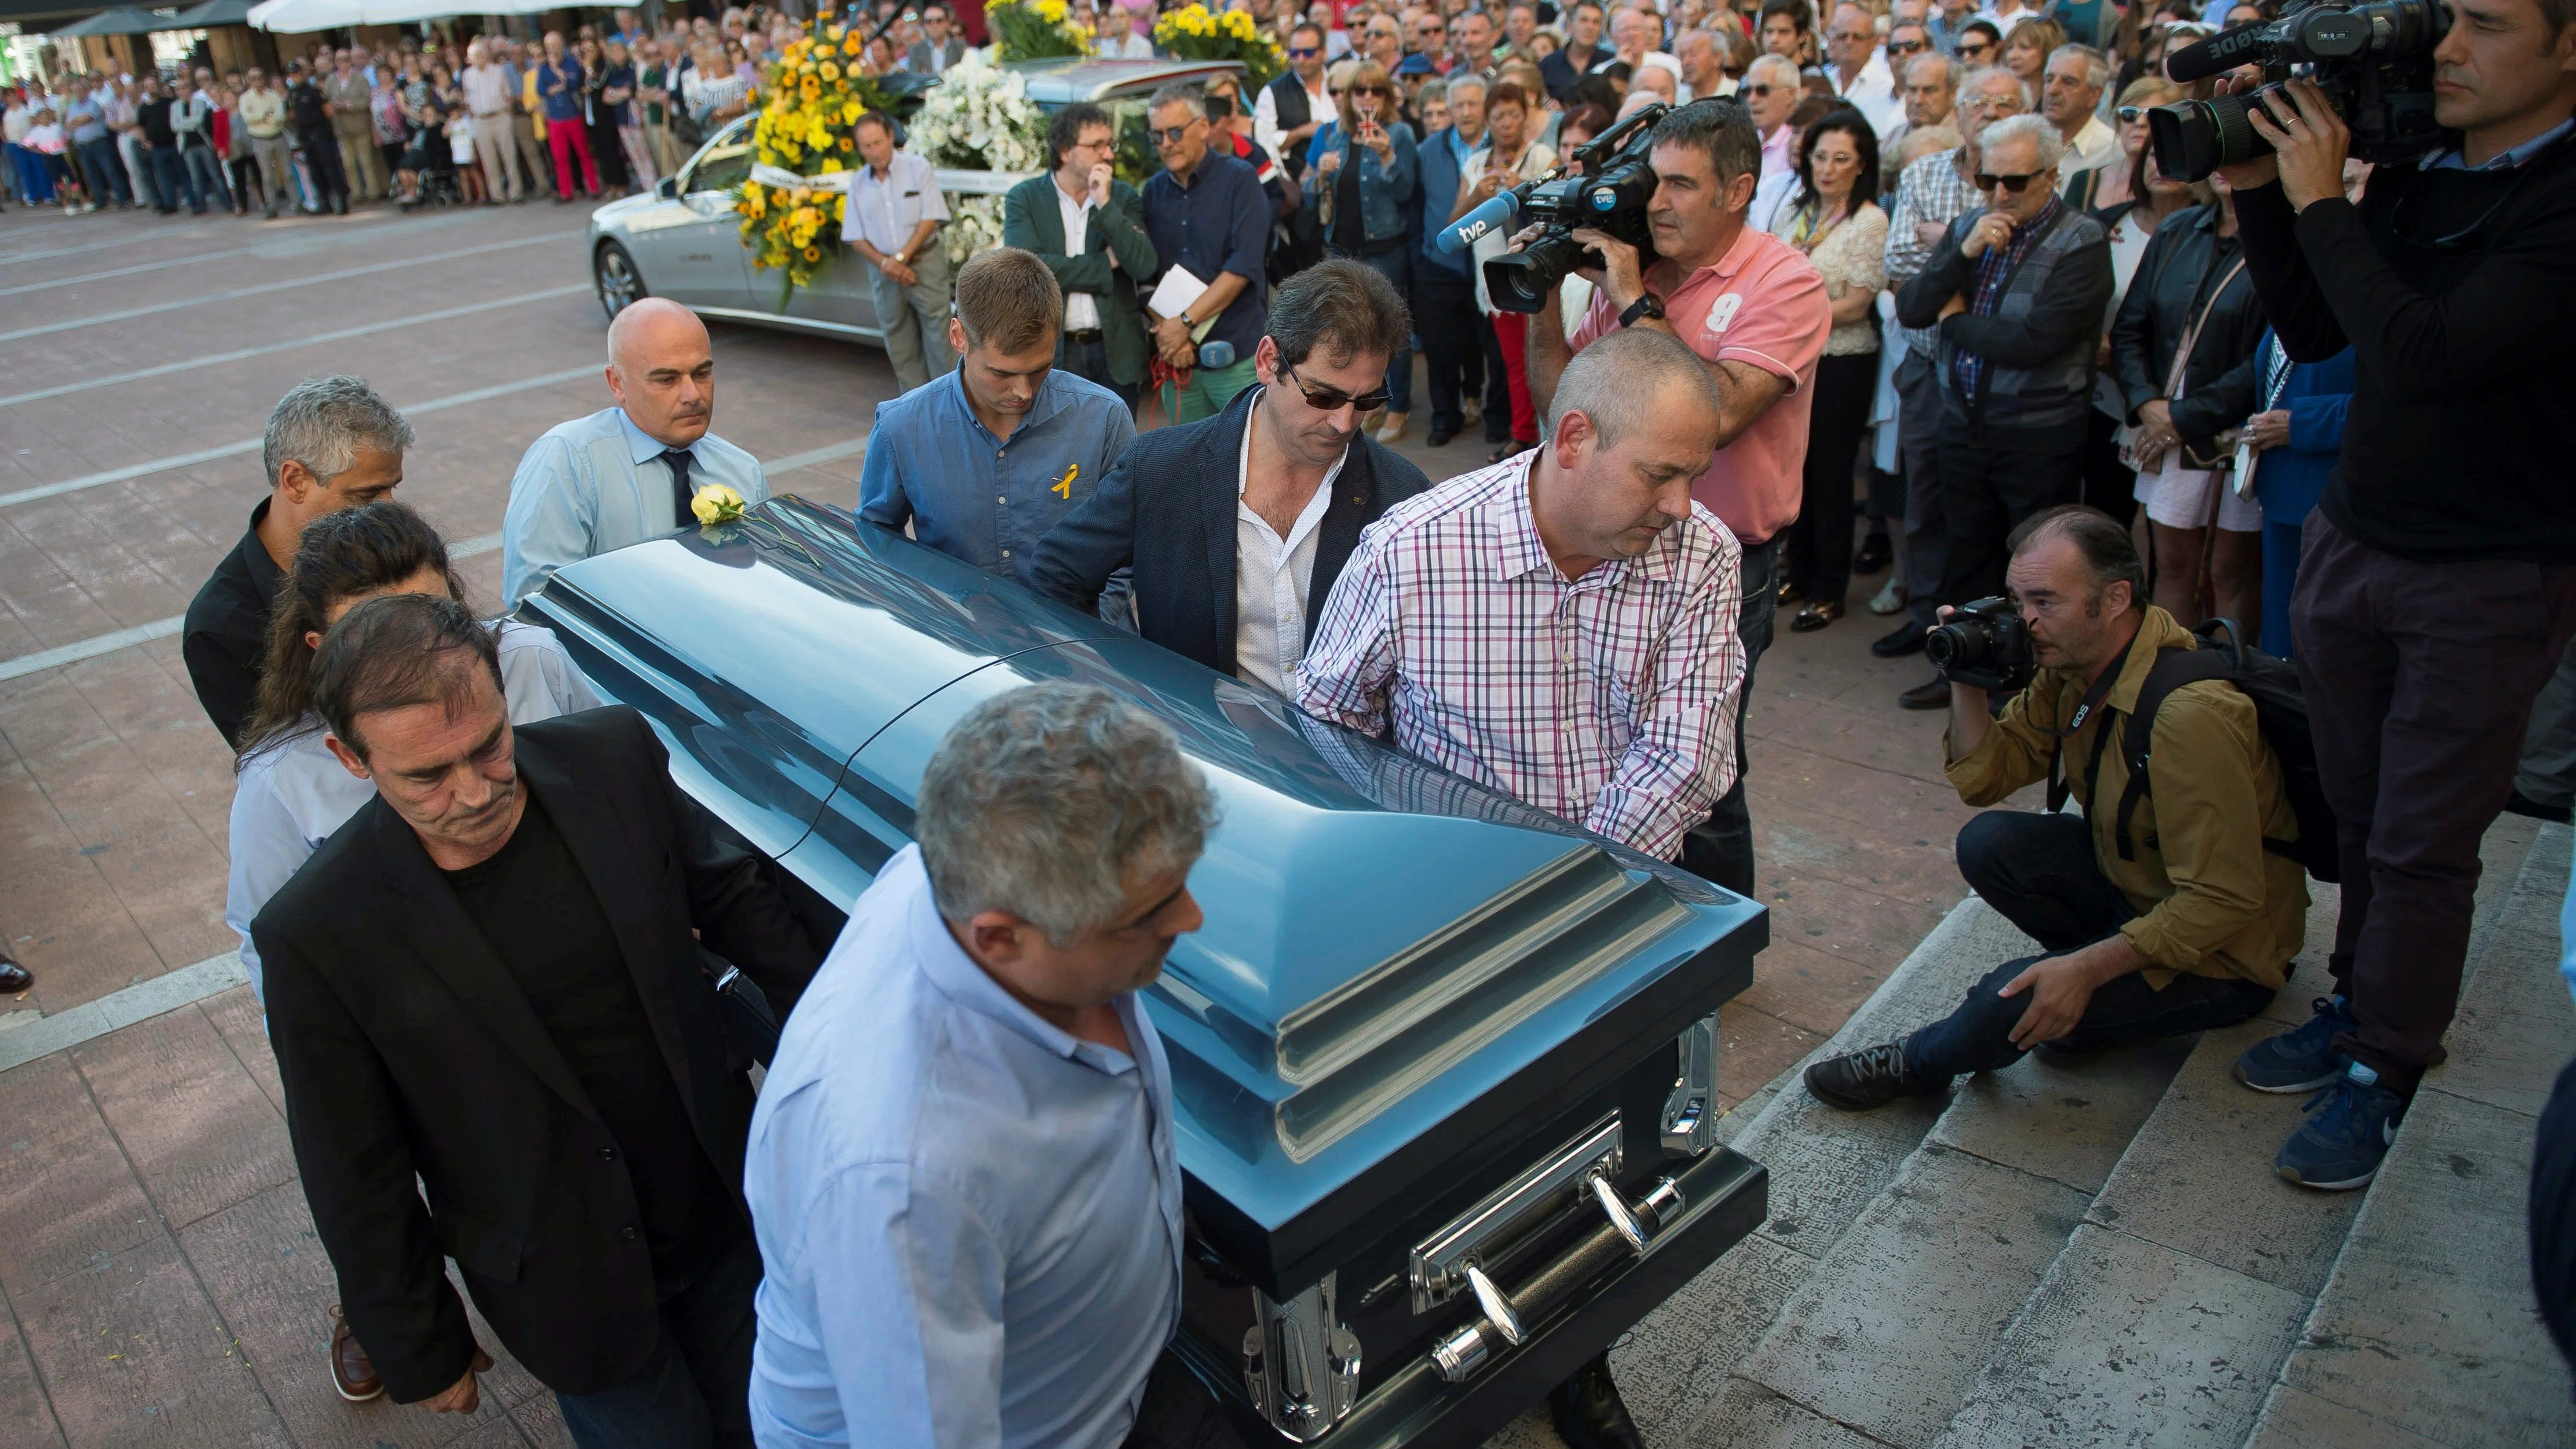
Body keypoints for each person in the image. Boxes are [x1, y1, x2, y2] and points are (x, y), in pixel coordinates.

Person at [1296, 325, 1738, 1449]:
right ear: (1575, 436)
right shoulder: (1414, 548)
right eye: (1663, 471)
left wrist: (1568, 903)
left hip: (1614, 915)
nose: (1685, 504)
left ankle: (1576, 1356)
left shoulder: (1704, 557)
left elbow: (1687, 751)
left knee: (1601, 1159)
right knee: (1454, 1171)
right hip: (1435, 936)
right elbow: (1320, 734)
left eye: (1696, 472)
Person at [255, 592, 820, 1446]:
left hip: (721, 1204)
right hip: (563, 1284)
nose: (474, 791)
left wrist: (842, 1044)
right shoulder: (317, 932)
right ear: (350, 758)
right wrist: (419, 1340)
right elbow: (349, 1159)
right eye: (428, 777)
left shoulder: (613, 759)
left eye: (488, 748)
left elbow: (736, 902)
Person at [2216, 0, 2576, 1188]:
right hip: (2356, 539)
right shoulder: (2424, 164)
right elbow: (2325, 322)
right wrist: (2262, 188)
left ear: (2570, 45)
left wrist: (2323, 196)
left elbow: (2424, 347)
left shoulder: (2562, 199)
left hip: (2483, 570)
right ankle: (2359, 1002)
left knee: (2425, 839)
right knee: (2362, 807)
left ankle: (2387, 1059)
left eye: (2482, 24)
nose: (2446, 50)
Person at [744, 682, 1216, 1449]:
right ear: (997, 938)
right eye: (1145, 916)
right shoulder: (901, 1182)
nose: (1189, 919)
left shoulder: (963, 871)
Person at [1803, 507, 2302, 1111]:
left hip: (2223, 959)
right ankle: (2095, 1008)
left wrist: (2087, 969)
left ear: (2115, 598)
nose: (2026, 622)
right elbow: (1983, 779)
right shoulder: (2077, 662)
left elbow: (2222, 901)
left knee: (2009, 996)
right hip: (2137, 893)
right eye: (2017, 601)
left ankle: (1920, 1062)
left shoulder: (2189, 714)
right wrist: (1966, 671)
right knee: (1988, 842)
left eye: (2044, 601)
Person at [1525, 97, 1832, 899]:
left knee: (1702, 763)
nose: (1655, 203)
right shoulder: (1639, 273)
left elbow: (1720, 414)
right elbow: (1568, 414)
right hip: (1612, 540)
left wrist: (1632, 297)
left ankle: (1717, 935)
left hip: (1724, 557)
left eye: (1679, 186)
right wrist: (1540, 303)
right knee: (1606, 741)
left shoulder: (1784, 281)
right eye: (1650, 183)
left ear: (1735, 192)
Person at [1031, 260, 1431, 691]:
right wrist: (1125, 685)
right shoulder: (1162, 470)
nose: (1344, 422)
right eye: (1324, 395)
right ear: (1267, 361)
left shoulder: (1405, 497)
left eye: (1368, 399)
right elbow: (1056, 575)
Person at [1891, 112, 2112, 710]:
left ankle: (2035, 691)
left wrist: (1956, 321)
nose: (1999, 194)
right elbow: (1912, 306)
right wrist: (1958, 254)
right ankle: (1964, 671)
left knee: (2040, 568)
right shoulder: (1971, 223)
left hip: (2037, 434)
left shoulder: (2081, 240)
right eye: (1988, 179)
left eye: (2015, 182)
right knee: (1967, 555)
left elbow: (2035, 342)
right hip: (1963, 424)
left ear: (2050, 173)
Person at [860, 248, 1138, 590]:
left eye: (1040, 370)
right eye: (1001, 373)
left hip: (1082, 639)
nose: (1023, 391)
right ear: (959, 337)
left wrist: (1086, 631)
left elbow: (1128, 549)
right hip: (961, 637)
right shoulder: (900, 427)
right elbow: (878, 543)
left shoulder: (1104, 419)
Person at [185, 378, 411, 750]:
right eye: (366, 494)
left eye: (393, 488)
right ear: (294, 481)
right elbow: (283, 768)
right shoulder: (222, 629)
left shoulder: (393, 551)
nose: (389, 510)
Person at [502, 298, 769, 607]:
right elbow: (537, 603)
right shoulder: (568, 460)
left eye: (701, 374)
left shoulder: (742, 470)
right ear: (617, 383)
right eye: (666, 380)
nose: (692, 395)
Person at [2111, 172, 2263, 632]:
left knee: (2229, 571)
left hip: (2238, 430)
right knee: (2173, 566)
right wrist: (2145, 404)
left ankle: (2228, 689)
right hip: (2162, 420)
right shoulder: (2178, 229)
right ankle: (2168, 685)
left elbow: (2275, 353)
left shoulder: (2288, 237)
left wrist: (2180, 417)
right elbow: (2129, 328)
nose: (2226, 166)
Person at [1769, 108, 1885, 632]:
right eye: (1820, 156)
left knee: (1830, 475)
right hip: (1791, 360)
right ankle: (1798, 570)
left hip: (1841, 362)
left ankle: (1828, 588)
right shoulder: (1794, 210)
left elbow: (1859, 304)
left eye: (1841, 159)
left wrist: (1792, 315)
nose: (1828, 168)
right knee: (1793, 469)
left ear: (1861, 165)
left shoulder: (1868, 220)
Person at [1004, 103, 1159, 409]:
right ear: (1065, 152)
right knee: (1059, 449)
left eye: (1110, 144)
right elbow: (1025, 271)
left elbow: (1144, 265)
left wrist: (1105, 204)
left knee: (1119, 452)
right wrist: (1105, 266)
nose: (1109, 154)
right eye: (1097, 146)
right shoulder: (1024, 199)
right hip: (1055, 350)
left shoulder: (1123, 197)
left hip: (1114, 349)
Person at [1140, 83, 1273, 423]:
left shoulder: (1239, 179)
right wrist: (1172, 334)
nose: (1166, 144)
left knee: (1249, 462)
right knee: (1188, 467)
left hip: (1236, 357)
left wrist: (1185, 323)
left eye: (1174, 132)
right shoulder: (1152, 192)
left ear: (1202, 127)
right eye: (1157, 136)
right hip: (1178, 362)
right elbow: (1144, 273)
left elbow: (1244, 266)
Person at [1307, 60, 1420, 444]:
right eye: (1360, 91)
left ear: (1387, 97)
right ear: (1349, 97)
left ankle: (1399, 405)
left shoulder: (1399, 133)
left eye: (1376, 91)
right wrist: (1320, 173)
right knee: (1347, 331)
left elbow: (1407, 191)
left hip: (1384, 248)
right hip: (1340, 246)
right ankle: (1365, 404)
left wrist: (1388, 156)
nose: (1367, 98)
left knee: (1390, 332)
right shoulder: (1335, 134)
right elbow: (1310, 192)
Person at [1455, 79, 1557, 463]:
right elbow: (1454, 226)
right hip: (1496, 279)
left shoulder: (1541, 157)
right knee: (1514, 362)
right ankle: (1523, 435)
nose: (1507, 122)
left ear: (1526, 116)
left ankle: (1551, 434)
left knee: (1549, 355)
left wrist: (1524, 190)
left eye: (1515, 113)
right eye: (1498, 115)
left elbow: (1556, 216)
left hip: (1539, 275)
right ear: (1487, 119)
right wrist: (1476, 198)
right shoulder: (1476, 164)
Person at [846, 111, 958, 394]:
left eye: (878, 143)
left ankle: (950, 403)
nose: (874, 152)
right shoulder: (858, 184)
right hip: (884, 273)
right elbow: (855, 236)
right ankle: (915, 408)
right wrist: (888, 265)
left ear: (891, 137)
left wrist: (901, 258)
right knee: (899, 344)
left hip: (924, 262)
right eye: (867, 146)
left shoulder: (917, 168)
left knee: (941, 339)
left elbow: (931, 216)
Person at [1414, 72, 1486, 448]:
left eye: (1473, 103)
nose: (1465, 112)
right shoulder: (1427, 150)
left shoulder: (1499, 148)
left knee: (1481, 343)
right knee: (1440, 347)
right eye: (1459, 105)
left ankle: (1489, 411)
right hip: (1439, 264)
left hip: (1486, 264)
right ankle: (1445, 415)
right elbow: (1416, 206)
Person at [538, 32, 602, 200]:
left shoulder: (571, 63)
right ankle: (566, 192)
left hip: (572, 114)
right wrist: (559, 86)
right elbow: (541, 90)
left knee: (584, 153)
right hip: (555, 118)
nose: (553, 48)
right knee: (560, 157)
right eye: (550, 45)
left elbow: (574, 84)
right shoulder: (544, 68)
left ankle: (593, 187)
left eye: (556, 44)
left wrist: (560, 75)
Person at [1824, 2, 1902, 137]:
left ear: (1874, 43)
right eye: (1843, 36)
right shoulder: (1824, 78)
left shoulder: (1886, 85)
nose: (1849, 42)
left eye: (1857, 37)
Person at [2042, 43, 2118, 180]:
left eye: (2068, 82)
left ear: (2094, 96)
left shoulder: (2113, 151)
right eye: (2049, 79)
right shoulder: (2025, 141)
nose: (2052, 90)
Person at [287, 59, 348, 213]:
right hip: (306, 136)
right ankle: (325, 202)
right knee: (315, 172)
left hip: (320, 135)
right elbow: (292, 115)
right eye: (291, 74)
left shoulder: (314, 91)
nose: (295, 77)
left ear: (303, 73)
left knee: (330, 169)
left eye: (297, 73)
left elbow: (328, 112)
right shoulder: (293, 94)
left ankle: (341, 200)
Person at [327, 50, 384, 202]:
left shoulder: (360, 79)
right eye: (339, 60)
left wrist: (349, 105)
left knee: (366, 162)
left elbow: (368, 101)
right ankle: (356, 193)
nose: (343, 63)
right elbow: (327, 100)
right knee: (348, 164)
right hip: (341, 129)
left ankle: (373, 192)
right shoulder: (331, 80)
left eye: (346, 60)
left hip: (360, 127)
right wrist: (334, 106)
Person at [1742, 53, 1802, 177]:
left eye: (1762, 91)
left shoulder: (1798, 146)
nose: (1752, 99)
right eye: (1747, 91)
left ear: (1790, 94)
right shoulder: (1748, 143)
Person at [905, 2, 969, 74]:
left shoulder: (960, 48)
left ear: (948, 23)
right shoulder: (916, 51)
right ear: (924, 25)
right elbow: (915, 80)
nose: (934, 25)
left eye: (939, 21)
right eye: (929, 22)